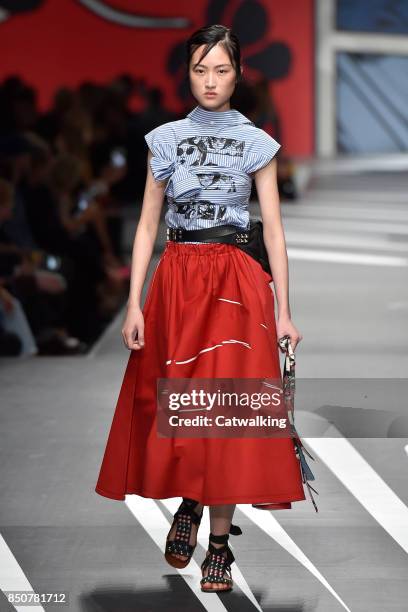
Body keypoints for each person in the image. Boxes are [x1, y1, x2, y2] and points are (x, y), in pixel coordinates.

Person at [95, 24, 311, 593]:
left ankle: (218, 542)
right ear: (186, 74)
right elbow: (146, 226)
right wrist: (133, 304)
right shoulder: (163, 140)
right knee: (186, 405)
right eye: (200, 69)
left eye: (221, 70)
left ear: (238, 75)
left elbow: (277, 232)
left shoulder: (257, 143)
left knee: (232, 409)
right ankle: (190, 498)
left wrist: (285, 311)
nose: (210, 81)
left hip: (238, 280)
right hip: (179, 280)